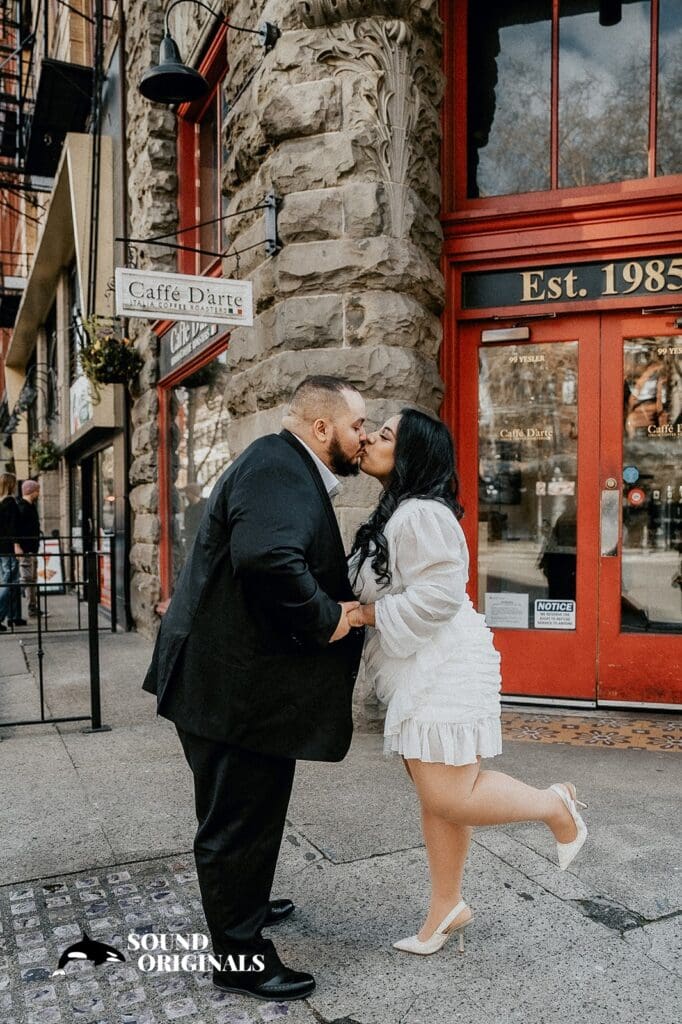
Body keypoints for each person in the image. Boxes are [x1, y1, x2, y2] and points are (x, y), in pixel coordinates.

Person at [143, 376, 367, 1000]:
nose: (362, 437)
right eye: (356, 426)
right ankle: (237, 953)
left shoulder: (279, 462)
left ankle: (242, 903)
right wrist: (330, 618)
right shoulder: (278, 467)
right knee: (237, 818)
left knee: (249, 809)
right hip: (228, 691)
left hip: (233, 686)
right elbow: (269, 558)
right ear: (322, 428)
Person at [347, 409, 588, 956]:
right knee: (438, 798)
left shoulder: (420, 514)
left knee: (449, 794)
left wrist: (362, 615)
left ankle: (556, 806)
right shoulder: (399, 513)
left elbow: (439, 595)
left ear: (410, 455)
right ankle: (445, 907)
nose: (369, 440)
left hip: (443, 666)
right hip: (418, 665)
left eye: (385, 435)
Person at [0, 472, 25, 630]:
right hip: (8, 548)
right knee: (9, 583)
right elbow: (13, 527)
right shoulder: (10, 503)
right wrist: (17, 545)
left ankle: (13, 617)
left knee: (9, 582)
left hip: (1, 548)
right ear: (11, 485)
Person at [16, 479, 43, 617]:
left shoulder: (31, 506)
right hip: (26, 549)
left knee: (32, 579)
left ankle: (33, 607)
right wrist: (17, 546)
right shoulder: (22, 507)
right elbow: (16, 529)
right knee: (27, 579)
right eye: (37, 490)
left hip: (32, 548)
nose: (38, 493)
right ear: (30, 491)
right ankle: (31, 607)